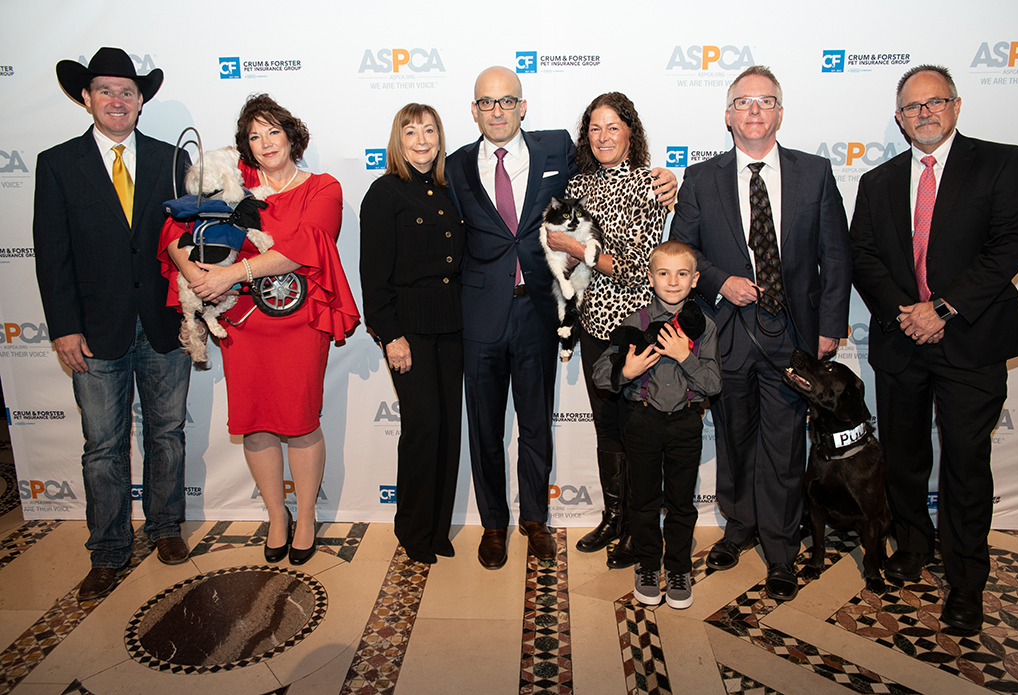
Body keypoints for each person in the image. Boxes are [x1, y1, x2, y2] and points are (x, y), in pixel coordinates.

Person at [444, 67, 676, 569]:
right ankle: (492, 525)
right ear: (474, 109)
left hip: (537, 313)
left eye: (508, 101)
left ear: (523, 106)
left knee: (535, 425)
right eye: (487, 102)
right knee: (484, 427)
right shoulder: (456, 165)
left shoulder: (556, 150)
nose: (498, 110)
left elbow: (615, 155)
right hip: (480, 314)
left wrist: (668, 179)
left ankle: (535, 520)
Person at [849, 65, 1018, 630]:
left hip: (971, 341)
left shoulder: (1001, 162)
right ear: (900, 118)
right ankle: (912, 546)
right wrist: (909, 317)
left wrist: (944, 310)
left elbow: (1009, 247)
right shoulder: (877, 182)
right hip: (901, 342)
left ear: (955, 106)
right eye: (911, 107)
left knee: (965, 464)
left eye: (934, 103)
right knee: (904, 458)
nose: (923, 113)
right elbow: (863, 257)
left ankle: (965, 579)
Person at [670, 65, 851, 601]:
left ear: (779, 113)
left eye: (765, 101)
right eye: (743, 102)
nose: (754, 110)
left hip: (791, 336)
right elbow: (683, 252)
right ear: (727, 116)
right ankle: (739, 527)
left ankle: (780, 547)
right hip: (727, 334)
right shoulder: (701, 179)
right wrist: (722, 281)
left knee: (783, 444)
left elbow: (835, 257)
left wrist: (829, 328)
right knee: (734, 436)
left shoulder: (814, 173)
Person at [160, 94, 360, 566]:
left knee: (300, 420)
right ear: (244, 145)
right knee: (254, 423)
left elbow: (304, 247)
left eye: (273, 131)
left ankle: (306, 516)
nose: (266, 142)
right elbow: (174, 230)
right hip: (242, 323)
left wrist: (230, 274)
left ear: (292, 135)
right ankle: (276, 515)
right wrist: (197, 276)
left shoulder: (323, 187)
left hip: (298, 320)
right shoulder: (230, 183)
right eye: (255, 135)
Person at [33, 47, 192, 600]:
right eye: (105, 90)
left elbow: (189, 244)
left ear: (141, 100)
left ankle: (167, 528)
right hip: (94, 332)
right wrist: (63, 327)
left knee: (167, 435)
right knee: (102, 445)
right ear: (86, 98)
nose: (117, 100)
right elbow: (51, 254)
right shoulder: (57, 164)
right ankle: (107, 551)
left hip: (164, 325)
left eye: (127, 91)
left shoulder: (172, 160)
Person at [543, 92, 668, 569]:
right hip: (593, 324)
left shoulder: (648, 185)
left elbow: (637, 269)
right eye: (595, 128)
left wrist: (578, 249)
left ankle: (640, 528)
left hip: (633, 327)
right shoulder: (579, 185)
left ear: (630, 133)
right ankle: (614, 516)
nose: (603, 136)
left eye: (613, 127)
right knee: (607, 428)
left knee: (637, 430)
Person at [359, 104, 464, 564]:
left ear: (440, 138)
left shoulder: (447, 190)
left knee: (447, 429)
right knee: (423, 429)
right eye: (410, 131)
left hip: (453, 327)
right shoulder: (383, 194)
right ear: (397, 140)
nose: (421, 139)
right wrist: (390, 335)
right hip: (410, 333)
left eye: (429, 130)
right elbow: (373, 276)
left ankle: (438, 529)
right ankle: (414, 532)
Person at [592, 241, 721, 609]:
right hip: (643, 421)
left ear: (695, 280)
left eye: (682, 274)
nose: (673, 281)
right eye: (663, 273)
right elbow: (602, 373)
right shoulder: (636, 322)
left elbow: (713, 385)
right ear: (650, 279)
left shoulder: (705, 327)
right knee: (643, 499)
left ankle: (678, 567)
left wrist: (685, 357)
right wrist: (626, 371)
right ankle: (648, 564)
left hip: (685, 423)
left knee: (681, 502)